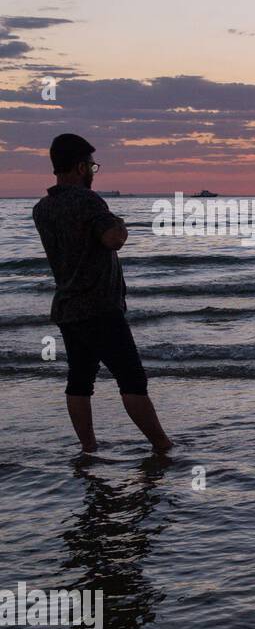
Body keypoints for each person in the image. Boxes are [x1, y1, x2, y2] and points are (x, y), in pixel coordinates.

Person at [32, 134, 172, 454]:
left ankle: (88, 447)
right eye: (92, 166)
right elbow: (113, 239)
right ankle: (162, 446)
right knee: (132, 379)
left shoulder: (42, 209)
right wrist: (119, 223)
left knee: (80, 381)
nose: (94, 172)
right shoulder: (88, 201)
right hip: (99, 308)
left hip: (68, 308)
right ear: (81, 166)